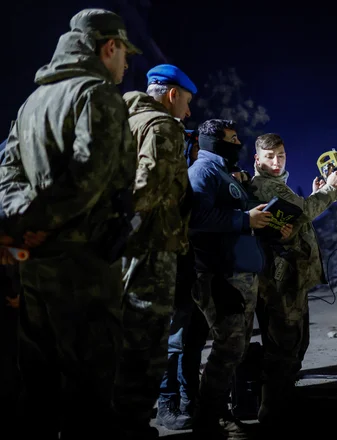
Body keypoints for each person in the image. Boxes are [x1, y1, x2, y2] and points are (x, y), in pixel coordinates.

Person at [0, 8, 139, 439]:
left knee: (38, 387)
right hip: (83, 267)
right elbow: (88, 176)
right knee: (89, 388)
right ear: (108, 47)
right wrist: (44, 221)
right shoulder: (96, 94)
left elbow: (7, 176)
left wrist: (26, 223)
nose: (127, 65)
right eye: (124, 54)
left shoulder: (31, 102)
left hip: (36, 265)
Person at [187, 119, 291, 439]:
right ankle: (211, 419)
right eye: (231, 140)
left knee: (237, 347)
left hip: (241, 274)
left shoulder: (222, 174)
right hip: (222, 275)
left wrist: (266, 221)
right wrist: (245, 218)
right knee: (228, 347)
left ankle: (218, 412)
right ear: (215, 142)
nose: (237, 145)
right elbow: (197, 217)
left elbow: (241, 216)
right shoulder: (202, 172)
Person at [112, 64, 196, 439]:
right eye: (188, 102)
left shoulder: (123, 119)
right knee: (147, 341)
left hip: (121, 248)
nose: (188, 113)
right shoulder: (162, 127)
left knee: (121, 332)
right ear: (173, 94)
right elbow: (148, 188)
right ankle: (131, 425)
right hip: (151, 248)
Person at [249, 133, 337, 431]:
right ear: (257, 160)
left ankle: (282, 402)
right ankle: (272, 413)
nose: (276, 162)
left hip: (290, 277)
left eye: (280, 155)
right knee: (283, 346)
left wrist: (319, 195)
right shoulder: (264, 185)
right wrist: (329, 190)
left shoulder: (277, 185)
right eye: (269, 157)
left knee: (295, 343)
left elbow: (298, 216)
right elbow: (304, 212)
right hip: (280, 280)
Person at [156, 129, 210, 430]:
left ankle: (191, 398)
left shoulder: (193, 178)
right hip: (176, 270)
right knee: (174, 343)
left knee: (193, 342)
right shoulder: (174, 181)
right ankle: (167, 403)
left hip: (196, 270)